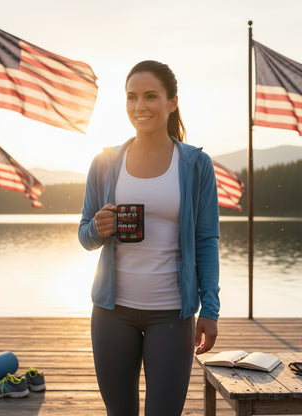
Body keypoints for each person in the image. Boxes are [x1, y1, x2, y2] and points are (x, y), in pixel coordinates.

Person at [78, 60, 220, 416]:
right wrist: (99, 227)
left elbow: (206, 240)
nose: (139, 106)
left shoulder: (195, 165)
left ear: (172, 102)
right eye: (131, 97)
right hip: (111, 314)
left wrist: (210, 309)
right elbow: (84, 236)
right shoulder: (105, 163)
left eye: (150, 96)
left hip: (172, 315)